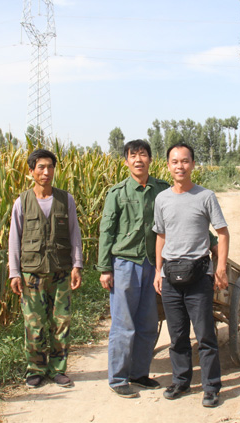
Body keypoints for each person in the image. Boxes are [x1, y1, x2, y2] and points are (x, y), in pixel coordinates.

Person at [153, 142, 230, 408]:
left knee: (205, 334)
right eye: (175, 162)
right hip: (171, 276)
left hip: (199, 275)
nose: (180, 166)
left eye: (185, 161)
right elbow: (161, 236)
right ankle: (181, 381)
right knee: (177, 335)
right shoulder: (162, 199)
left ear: (193, 164)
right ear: (168, 166)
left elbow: (222, 233)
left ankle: (211, 387)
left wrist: (220, 267)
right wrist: (158, 271)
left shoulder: (205, 196)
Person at [97, 139, 169, 398]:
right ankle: (118, 379)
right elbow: (107, 231)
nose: (139, 159)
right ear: (126, 161)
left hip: (152, 264)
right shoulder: (117, 193)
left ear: (151, 158)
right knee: (123, 324)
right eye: (133, 155)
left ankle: (139, 374)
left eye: (143, 154)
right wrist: (105, 268)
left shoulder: (162, 190)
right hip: (125, 264)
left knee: (148, 323)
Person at [8, 148, 83, 389]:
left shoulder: (65, 200)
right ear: (31, 171)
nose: (46, 172)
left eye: (50, 167)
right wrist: (14, 273)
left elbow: (74, 234)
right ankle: (36, 369)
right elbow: (14, 239)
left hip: (60, 272)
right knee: (34, 324)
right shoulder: (22, 202)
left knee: (61, 322)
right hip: (32, 275)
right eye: (41, 167)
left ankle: (58, 369)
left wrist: (77, 265)